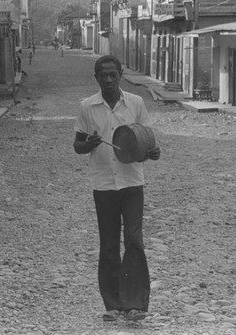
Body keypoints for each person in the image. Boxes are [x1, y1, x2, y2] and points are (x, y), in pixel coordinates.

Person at [73, 55, 161, 322]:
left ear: (121, 74)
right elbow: (78, 145)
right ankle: (113, 304)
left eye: (113, 74)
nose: (108, 79)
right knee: (109, 244)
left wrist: (152, 153)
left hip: (133, 182)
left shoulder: (135, 102)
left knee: (134, 241)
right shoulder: (87, 107)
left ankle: (136, 304)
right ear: (96, 77)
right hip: (103, 184)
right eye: (103, 75)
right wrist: (90, 144)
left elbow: (144, 142)